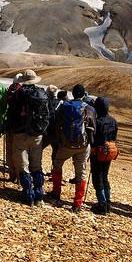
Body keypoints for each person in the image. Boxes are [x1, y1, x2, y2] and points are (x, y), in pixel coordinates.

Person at [49, 84, 96, 212]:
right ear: (83, 95)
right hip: (82, 145)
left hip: (66, 144)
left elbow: (56, 123)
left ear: (73, 94)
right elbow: (92, 128)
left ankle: (56, 193)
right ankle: (77, 203)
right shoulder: (89, 108)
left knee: (57, 164)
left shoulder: (64, 106)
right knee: (81, 172)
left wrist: (60, 140)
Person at [5, 70, 49, 206]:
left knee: (23, 166)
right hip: (37, 134)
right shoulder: (42, 93)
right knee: (36, 165)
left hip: (20, 133)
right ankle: (39, 195)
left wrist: (8, 128)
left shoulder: (19, 93)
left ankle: (28, 195)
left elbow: (11, 113)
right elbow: (49, 113)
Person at [90, 97, 118, 215]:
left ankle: (102, 205)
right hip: (109, 152)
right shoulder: (113, 121)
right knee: (105, 176)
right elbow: (115, 137)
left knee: (97, 178)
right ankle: (108, 203)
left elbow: (92, 138)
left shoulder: (97, 121)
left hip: (97, 153)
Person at [4, 73, 23, 182]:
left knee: (10, 150)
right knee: (19, 152)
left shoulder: (9, 89)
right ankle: (20, 176)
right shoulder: (23, 91)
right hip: (20, 126)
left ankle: (12, 175)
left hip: (9, 124)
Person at [41, 85, 61, 168]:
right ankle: (54, 171)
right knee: (56, 152)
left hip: (46, 131)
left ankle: (38, 167)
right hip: (56, 132)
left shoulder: (45, 102)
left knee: (39, 150)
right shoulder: (60, 103)